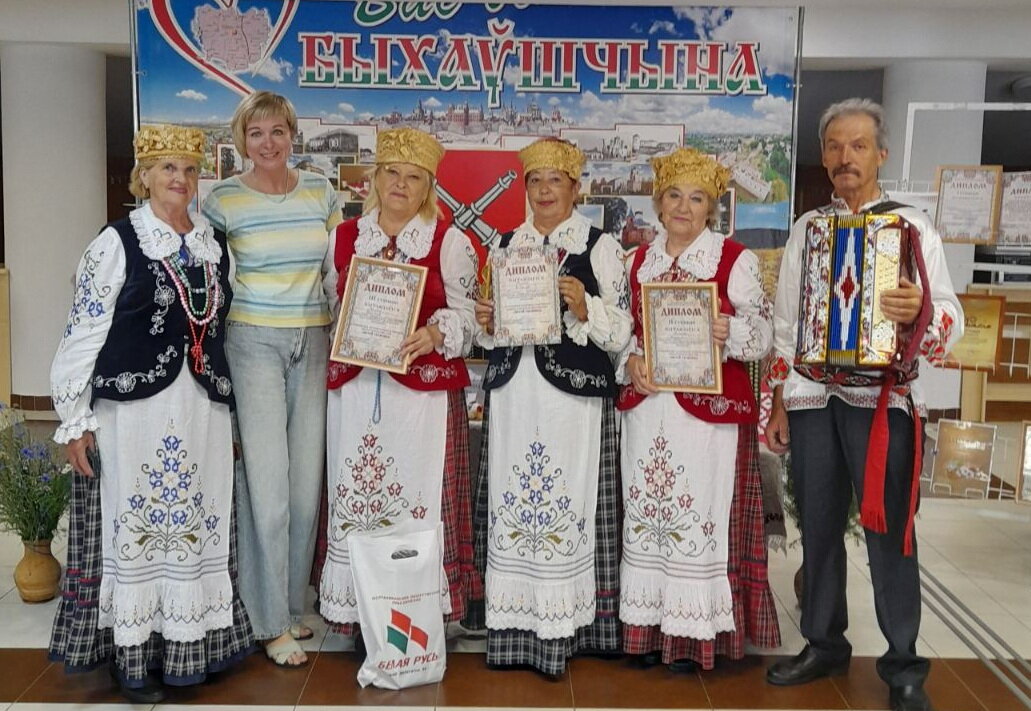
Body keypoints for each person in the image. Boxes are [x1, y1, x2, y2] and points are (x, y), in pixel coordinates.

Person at [765, 98, 962, 711]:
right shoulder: (807, 229)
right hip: (811, 397)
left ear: (881, 153)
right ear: (823, 156)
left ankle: (904, 664)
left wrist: (919, 309)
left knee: (890, 531)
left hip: (882, 401)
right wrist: (778, 402)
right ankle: (825, 643)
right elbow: (785, 323)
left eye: (857, 146)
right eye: (834, 146)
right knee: (819, 526)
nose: (844, 157)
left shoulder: (913, 228)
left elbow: (949, 315)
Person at [49, 125, 252, 703]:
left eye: (188, 169)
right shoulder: (116, 242)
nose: (179, 179)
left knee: (193, 526)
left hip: (202, 410)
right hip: (133, 411)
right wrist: (75, 418)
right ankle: (134, 657)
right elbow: (83, 330)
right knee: (137, 530)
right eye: (167, 168)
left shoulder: (213, 243)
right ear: (144, 176)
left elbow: (218, 328)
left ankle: (189, 648)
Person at [471, 138, 632, 679]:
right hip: (514, 394)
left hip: (573, 399)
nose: (544, 191)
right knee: (515, 501)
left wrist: (586, 306)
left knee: (568, 501)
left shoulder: (599, 246)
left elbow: (622, 333)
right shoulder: (505, 244)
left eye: (555, 181)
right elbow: (489, 333)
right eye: (535, 181)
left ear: (575, 188)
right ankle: (513, 632)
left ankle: (570, 631)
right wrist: (487, 321)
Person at [616, 147, 781, 671]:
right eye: (674, 196)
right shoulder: (636, 261)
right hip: (648, 411)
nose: (683, 208)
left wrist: (730, 330)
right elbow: (622, 334)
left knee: (698, 517)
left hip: (707, 419)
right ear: (658, 203)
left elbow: (764, 336)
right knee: (649, 515)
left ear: (711, 208)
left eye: (696, 198)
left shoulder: (734, 260)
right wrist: (629, 362)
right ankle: (648, 630)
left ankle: (694, 637)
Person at [319, 127, 479, 634]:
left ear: (428, 186)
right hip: (356, 391)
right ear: (376, 177)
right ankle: (361, 614)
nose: (400, 185)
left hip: (422, 402)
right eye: (392, 172)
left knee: (417, 500)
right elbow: (330, 307)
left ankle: (416, 616)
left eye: (414, 177)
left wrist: (434, 332)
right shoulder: (344, 236)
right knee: (361, 491)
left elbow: (470, 319)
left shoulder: (449, 242)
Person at [202, 92, 342, 667]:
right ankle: (268, 622)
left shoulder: (321, 192)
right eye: (256, 133)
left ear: (292, 134)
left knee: (305, 489)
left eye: (277, 131)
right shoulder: (223, 199)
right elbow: (209, 282)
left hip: (315, 341)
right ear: (242, 140)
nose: (268, 142)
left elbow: (340, 271)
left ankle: (288, 605)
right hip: (252, 342)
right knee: (268, 487)